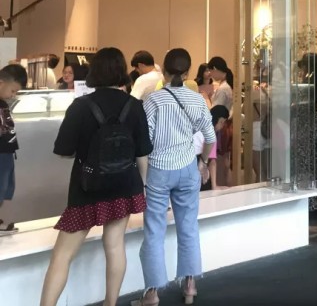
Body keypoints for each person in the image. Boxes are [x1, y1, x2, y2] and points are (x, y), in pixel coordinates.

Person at [40, 48, 151, 306]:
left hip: (87, 188)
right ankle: (110, 303)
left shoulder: (80, 106)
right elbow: (142, 153)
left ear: (94, 71)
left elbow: (63, 151)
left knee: (62, 255)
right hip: (124, 185)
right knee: (115, 245)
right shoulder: (134, 106)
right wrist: (142, 186)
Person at [138, 48, 215, 306]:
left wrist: (143, 179)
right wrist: (203, 162)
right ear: (189, 72)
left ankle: (152, 293)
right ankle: (190, 285)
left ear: (166, 72)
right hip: (188, 169)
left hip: (159, 171)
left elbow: (144, 144)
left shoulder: (153, 100)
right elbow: (210, 137)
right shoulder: (197, 100)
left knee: (154, 231)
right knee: (188, 227)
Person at [0, 65, 26, 235]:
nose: (13, 95)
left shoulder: (3, 103)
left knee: (4, 187)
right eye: (12, 90)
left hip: (6, 151)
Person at [207, 56, 234, 187]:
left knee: (219, 162)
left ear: (215, 69)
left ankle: (220, 187)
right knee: (225, 162)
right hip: (226, 125)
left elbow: (216, 110)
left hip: (219, 125)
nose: (210, 74)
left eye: (211, 71)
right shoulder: (226, 86)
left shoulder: (223, 88)